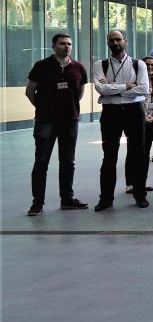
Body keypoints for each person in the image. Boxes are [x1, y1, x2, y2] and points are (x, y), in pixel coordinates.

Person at [24, 33, 90, 215]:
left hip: (69, 121)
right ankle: (37, 203)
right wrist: (43, 108)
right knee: (41, 162)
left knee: (68, 161)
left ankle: (67, 199)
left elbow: (80, 93)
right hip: (46, 121)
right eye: (62, 44)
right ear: (53, 46)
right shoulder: (41, 66)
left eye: (69, 44)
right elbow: (30, 91)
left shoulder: (78, 67)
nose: (66, 47)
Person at [93, 30, 151, 210]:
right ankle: (106, 199)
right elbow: (100, 89)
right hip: (110, 113)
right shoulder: (99, 65)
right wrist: (126, 86)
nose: (115, 43)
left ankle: (140, 194)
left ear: (125, 41)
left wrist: (112, 88)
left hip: (134, 111)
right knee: (109, 156)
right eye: (112, 40)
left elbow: (143, 89)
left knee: (138, 154)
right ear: (107, 43)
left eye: (118, 39)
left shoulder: (138, 64)